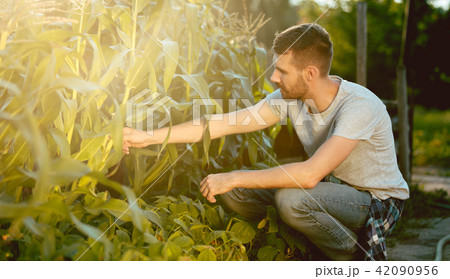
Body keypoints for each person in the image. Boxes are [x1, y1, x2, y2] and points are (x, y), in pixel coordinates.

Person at [122, 23, 409, 261]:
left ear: (309, 73)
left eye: (282, 71)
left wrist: (236, 175)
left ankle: (352, 257)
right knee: (233, 193)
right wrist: (148, 137)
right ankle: (306, 242)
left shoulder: (359, 106)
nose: (273, 77)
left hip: (375, 200)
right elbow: (223, 123)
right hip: (330, 189)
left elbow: (309, 176)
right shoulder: (290, 99)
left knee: (291, 199)